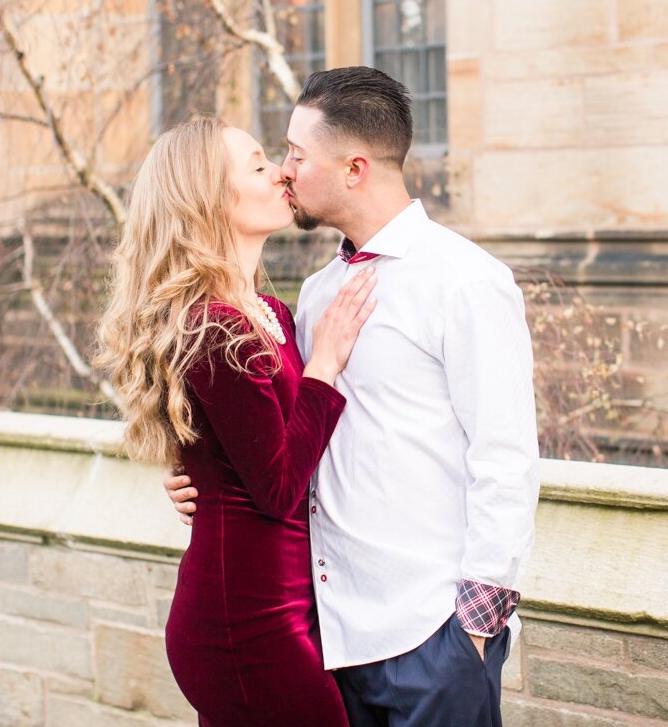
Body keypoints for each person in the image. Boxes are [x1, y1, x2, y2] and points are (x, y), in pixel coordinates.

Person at [166, 68, 540, 727]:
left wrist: (472, 635)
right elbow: (276, 435)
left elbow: (505, 457)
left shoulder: (466, 282)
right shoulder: (311, 297)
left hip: (430, 637)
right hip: (327, 636)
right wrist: (194, 474)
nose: (283, 172)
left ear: (354, 169)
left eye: (296, 156)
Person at [96, 115, 377, 727]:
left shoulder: (268, 311)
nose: (279, 171)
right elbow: (278, 488)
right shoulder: (214, 327)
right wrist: (324, 365)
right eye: (257, 165)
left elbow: (242, 445)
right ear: (209, 199)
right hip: (246, 623)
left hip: (288, 604)